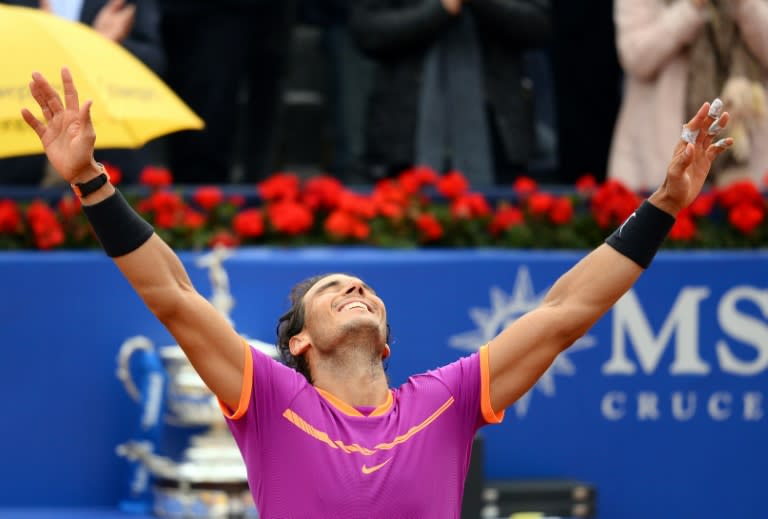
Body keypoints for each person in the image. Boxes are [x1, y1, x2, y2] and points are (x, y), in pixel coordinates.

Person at [21, 67, 732, 517]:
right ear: (298, 342)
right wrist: (89, 182)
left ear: (387, 342)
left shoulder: (447, 403)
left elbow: (564, 313)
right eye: (332, 289)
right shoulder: (269, 399)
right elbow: (174, 293)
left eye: (362, 285)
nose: (356, 285)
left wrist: (664, 204)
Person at [349, 0, 552, 186]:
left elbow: (539, 25)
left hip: (498, 132)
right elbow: (368, 31)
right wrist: (440, 10)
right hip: (405, 133)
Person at [608, 0, 768, 191]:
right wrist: (692, 7)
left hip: (747, 162)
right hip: (657, 161)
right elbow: (636, 57)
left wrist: (745, 4)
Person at [0, 0, 164, 185]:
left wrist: (103, 46)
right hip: (19, 159)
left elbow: (152, 61)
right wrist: (94, 42)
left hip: (108, 158)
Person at [158, 0, 296, 184]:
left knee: (267, 112)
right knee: (206, 111)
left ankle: (269, 195)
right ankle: (201, 199)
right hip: (204, 15)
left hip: (271, 11)